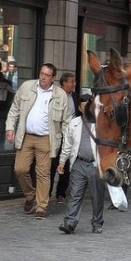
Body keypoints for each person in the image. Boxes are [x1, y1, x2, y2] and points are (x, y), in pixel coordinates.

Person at [6, 63, 71, 220]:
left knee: (43, 173)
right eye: (42, 73)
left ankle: (41, 206)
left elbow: (66, 121)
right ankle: (30, 195)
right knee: (20, 169)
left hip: (46, 139)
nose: (43, 77)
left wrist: (66, 143)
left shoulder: (60, 95)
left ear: (53, 78)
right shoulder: (27, 87)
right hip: (26, 136)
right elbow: (14, 108)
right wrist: (9, 128)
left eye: (47, 75)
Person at [57, 94, 106, 234]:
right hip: (78, 163)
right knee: (75, 194)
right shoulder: (74, 123)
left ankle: (97, 223)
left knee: (97, 196)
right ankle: (69, 222)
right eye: (83, 106)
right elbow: (67, 145)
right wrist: (62, 161)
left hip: (95, 165)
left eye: (89, 106)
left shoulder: (101, 124)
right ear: (79, 108)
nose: (86, 109)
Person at [49, 72, 79, 205]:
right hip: (55, 135)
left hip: (70, 136)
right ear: (64, 83)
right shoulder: (54, 95)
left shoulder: (76, 97)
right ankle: (47, 193)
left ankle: (61, 193)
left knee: (66, 165)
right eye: (72, 81)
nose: (74, 84)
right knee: (52, 164)